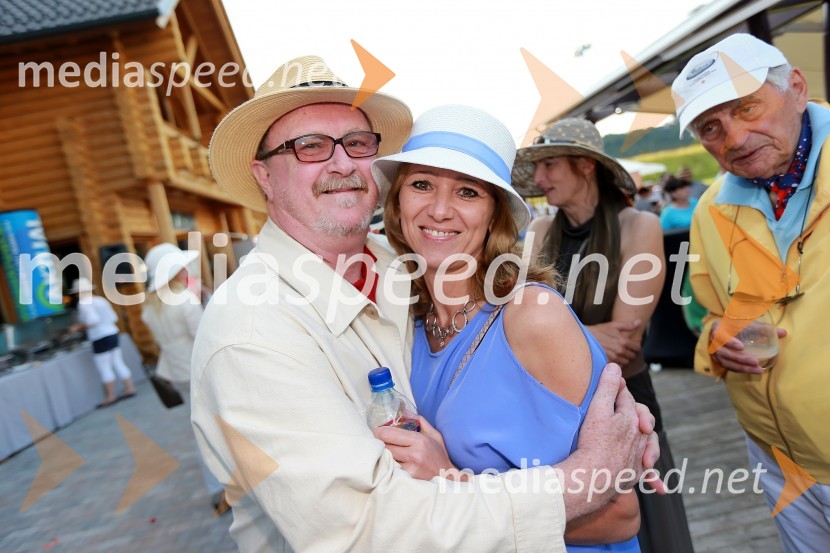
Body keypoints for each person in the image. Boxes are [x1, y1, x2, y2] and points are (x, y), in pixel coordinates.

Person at [192, 55, 662, 553]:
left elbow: (617, 508)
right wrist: (586, 472)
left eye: (356, 143)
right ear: (263, 176)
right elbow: (363, 530)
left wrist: (616, 417)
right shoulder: (253, 330)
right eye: (309, 147)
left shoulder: (401, 273)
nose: (342, 163)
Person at [374, 104, 641, 551]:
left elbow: (619, 515)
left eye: (467, 193)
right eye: (421, 185)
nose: (440, 210)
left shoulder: (530, 315)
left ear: (496, 216)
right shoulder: (407, 324)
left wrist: (449, 484)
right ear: (398, 203)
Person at [673, 33, 830, 551]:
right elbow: (709, 315)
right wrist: (716, 337)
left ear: (798, 88)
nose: (735, 138)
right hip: (778, 458)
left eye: (747, 108)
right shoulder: (710, 209)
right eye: (711, 127)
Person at [513, 118, 693, 553]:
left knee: (649, 529)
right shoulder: (538, 231)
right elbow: (513, 322)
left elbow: (626, 341)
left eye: (550, 165)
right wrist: (589, 333)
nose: (539, 179)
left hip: (628, 408)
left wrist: (543, 336)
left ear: (585, 165)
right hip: (556, 417)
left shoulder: (639, 226)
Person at [140, 243, 225, 511]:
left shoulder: (150, 308)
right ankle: (228, 483)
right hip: (197, 370)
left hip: (175, 372)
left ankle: (217, 487)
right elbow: (205, 338)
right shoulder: (185, 300)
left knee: (202, 430)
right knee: (218, 428)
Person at [68, 277, 135, 407]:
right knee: (117, 362)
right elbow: (113, 317)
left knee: (104, 367)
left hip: (100, 336)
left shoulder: (84, 303)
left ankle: (110, 396)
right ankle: (129, 387)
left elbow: (93, 320)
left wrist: (78, 327)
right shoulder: (101, 300)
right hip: (112, 332)